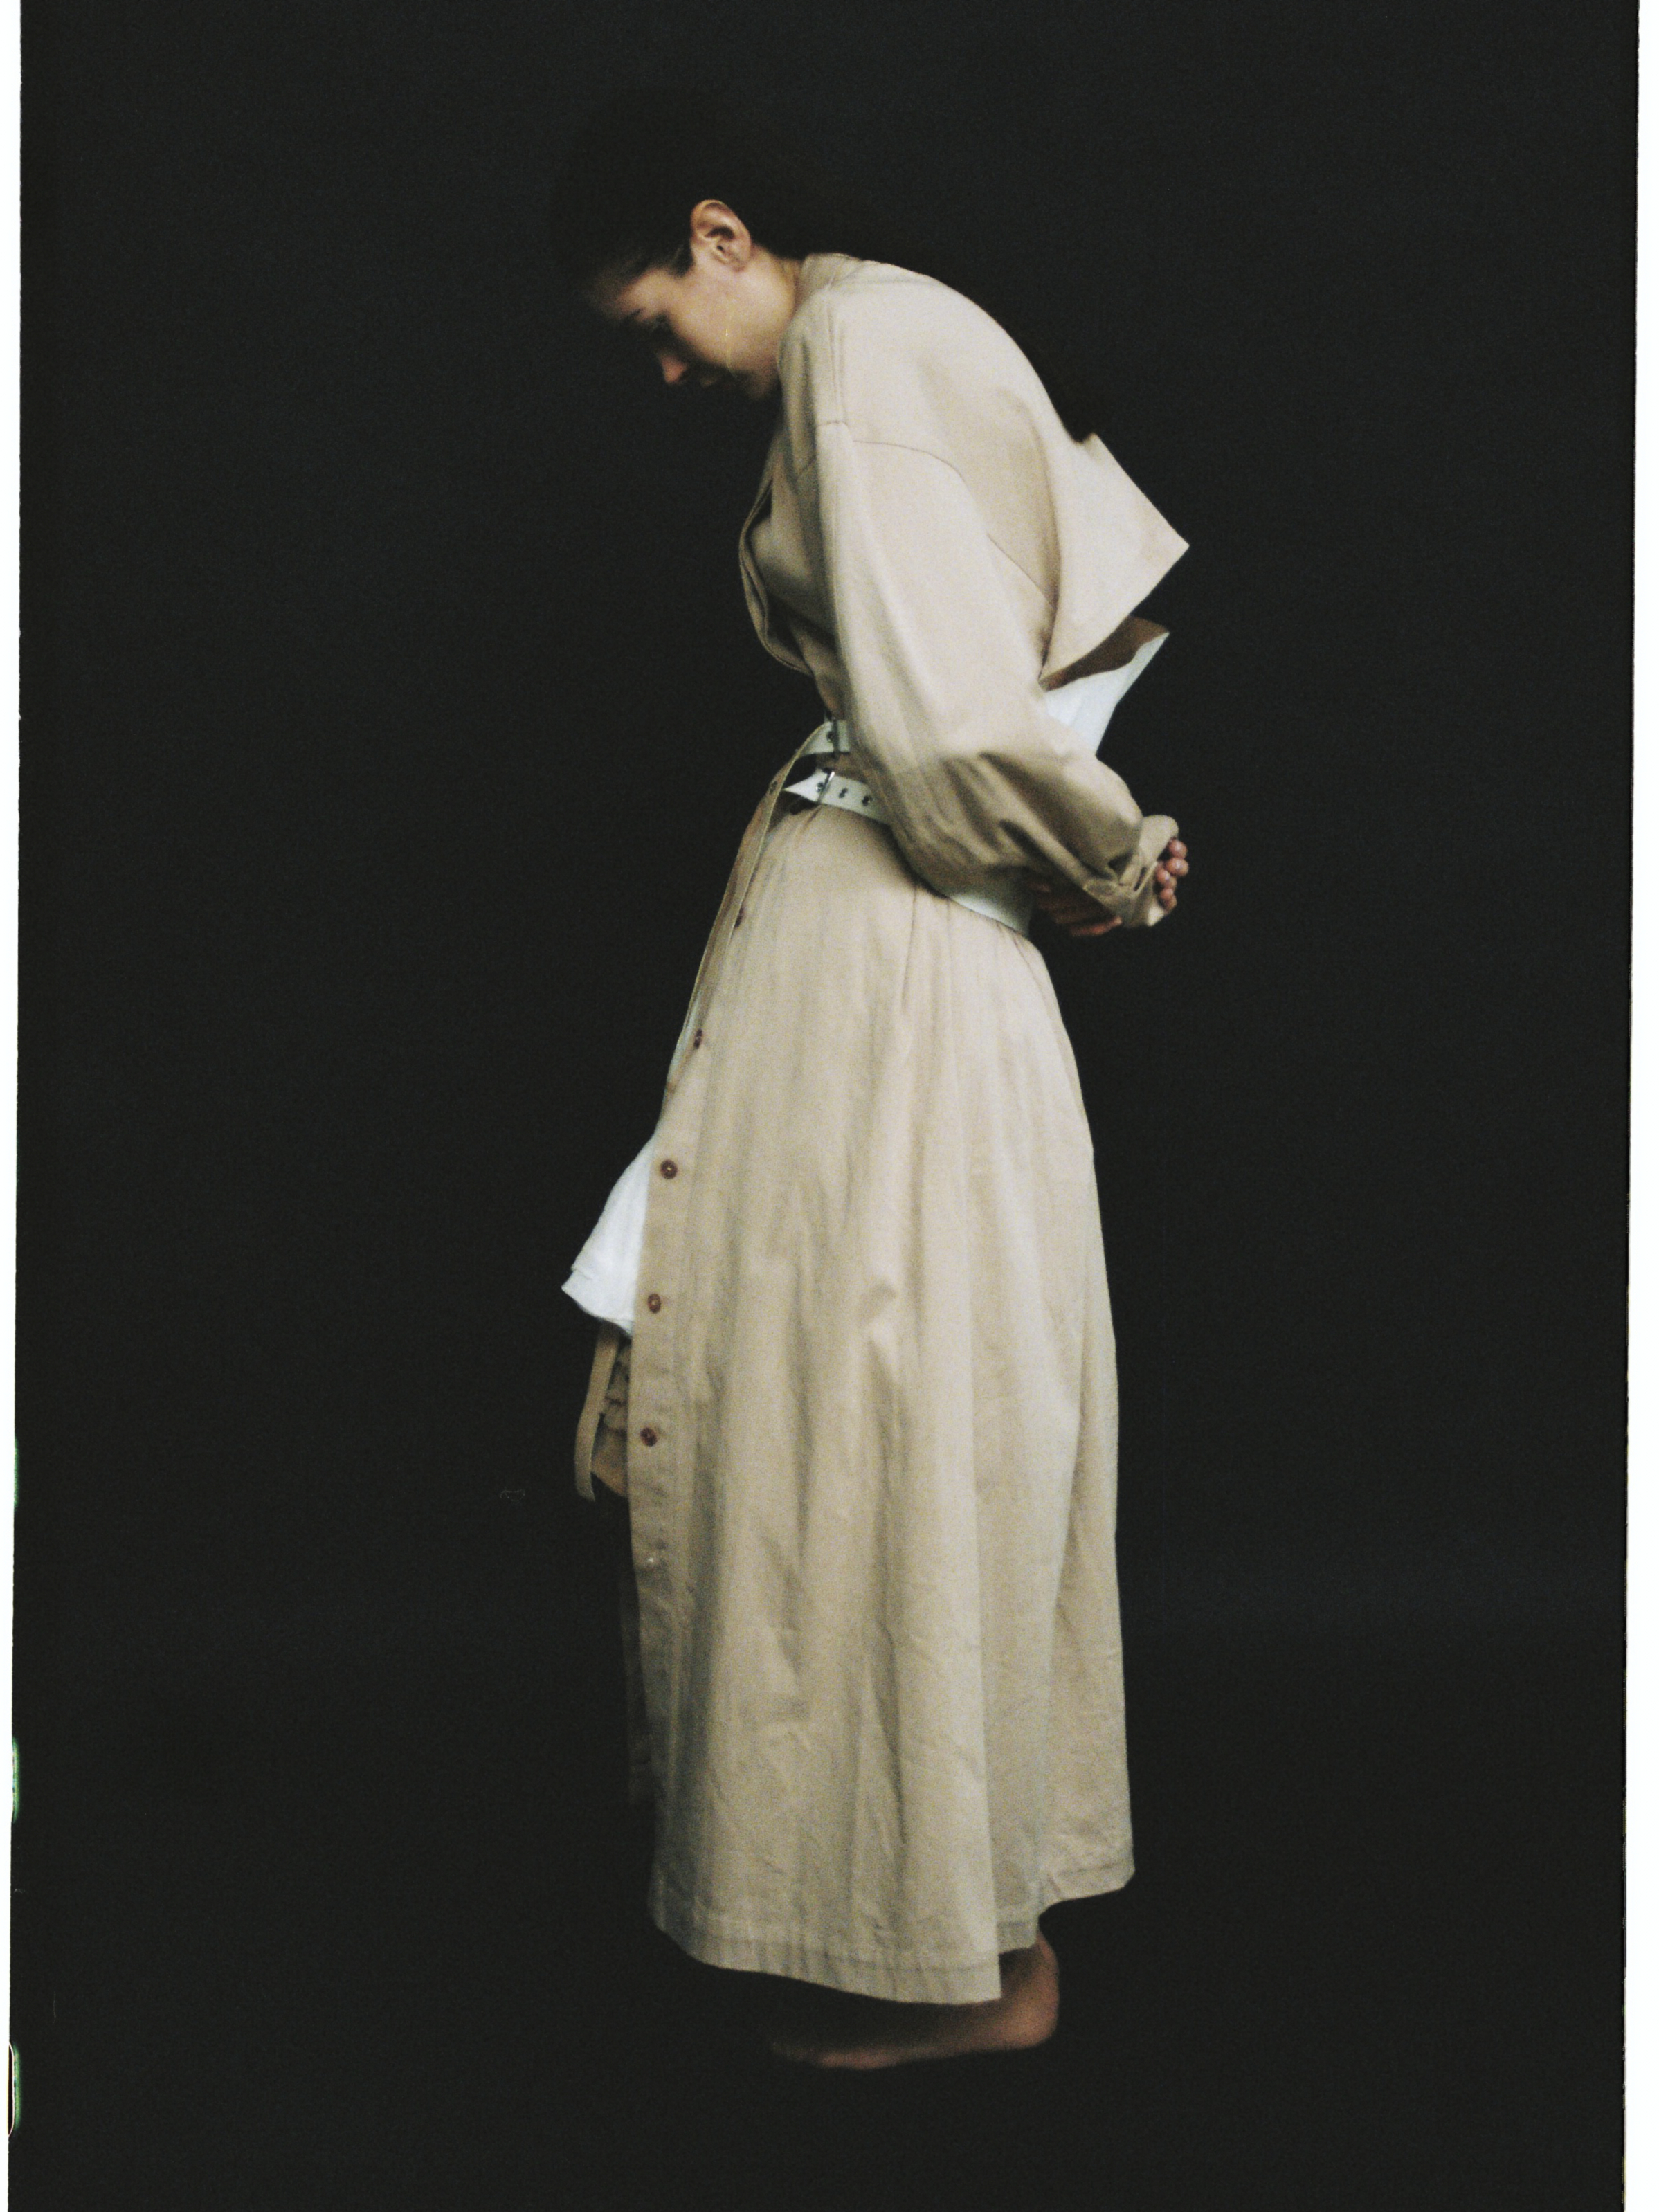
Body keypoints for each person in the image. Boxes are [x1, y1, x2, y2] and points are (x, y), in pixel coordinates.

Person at [551, 93, 1190, 2069]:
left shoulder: (865, 346)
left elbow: (949, 728)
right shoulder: (878, 343)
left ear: (723, 233)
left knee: (879, 1405)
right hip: (874, 933)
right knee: (870, 1398)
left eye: (659, 316)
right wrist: (1089, 853)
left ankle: (970, 1968)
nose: (666, 368)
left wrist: (1108, 856)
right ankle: (916, 1928)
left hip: (891, 944)